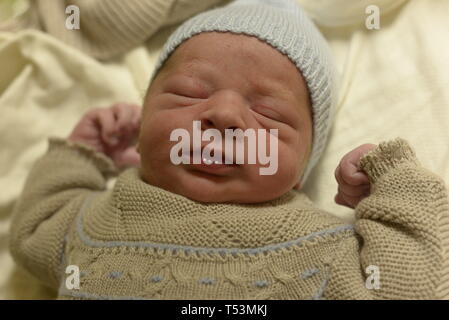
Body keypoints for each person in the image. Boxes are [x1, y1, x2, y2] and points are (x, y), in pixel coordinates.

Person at [9, 0, 448, 299]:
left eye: (270, 114)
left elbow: (415, 285)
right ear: (142, 132)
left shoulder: (327, 250)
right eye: (187, 93)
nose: (224, 114)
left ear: (302, 166)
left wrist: (392, 183)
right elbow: (32, 232)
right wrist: (80, 153)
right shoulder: (93, 221)